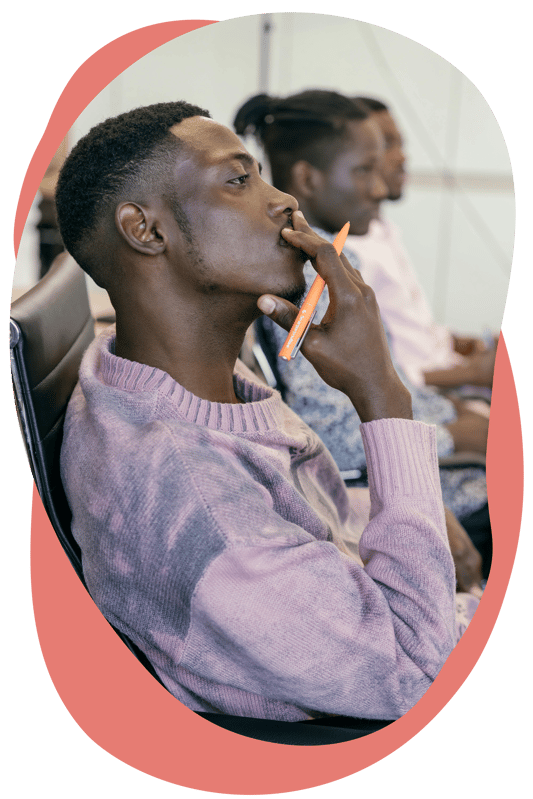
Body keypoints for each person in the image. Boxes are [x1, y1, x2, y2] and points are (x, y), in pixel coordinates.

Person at [56, 100, 470, 723]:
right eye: (238, 180)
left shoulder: (175, 380)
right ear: (146, 230)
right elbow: (422, 677)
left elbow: (311, 523)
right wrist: (383, 395)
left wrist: (414, 514)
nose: (284, 203)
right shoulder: (201, 514)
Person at [234, 90, 491, 580]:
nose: (378, 188)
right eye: (363, 171)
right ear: (308, 178)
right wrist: (451, 434)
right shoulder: (304, 280)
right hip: (417, 487)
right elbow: (328, 433)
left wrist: (451, 412)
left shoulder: (335, 263)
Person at [345, 96, 496, 392]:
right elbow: (377, 379)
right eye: (387, 145)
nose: (402, 157)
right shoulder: (350, 254)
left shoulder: (381, 231)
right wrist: (473, 373)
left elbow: (408, 333)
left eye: (401, 143)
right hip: (429, 398)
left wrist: (462, 344)